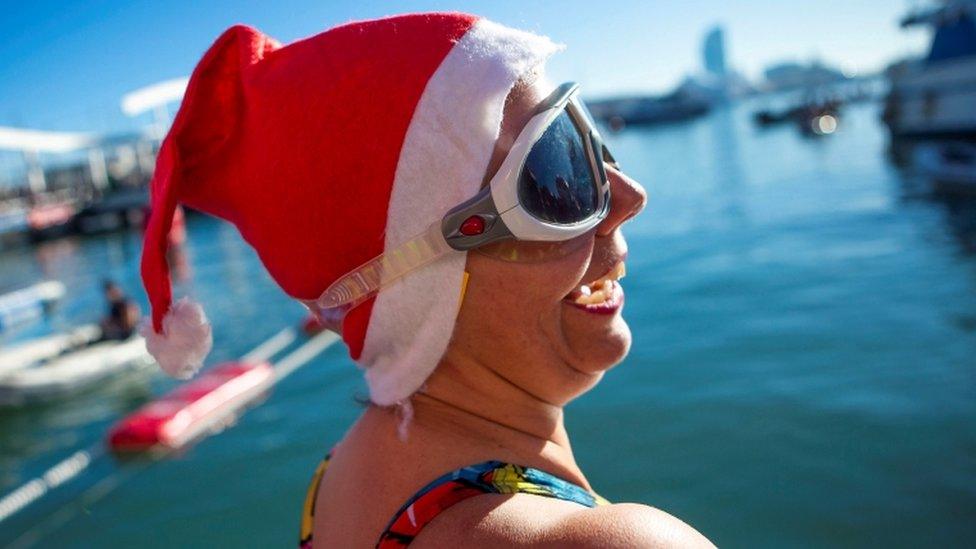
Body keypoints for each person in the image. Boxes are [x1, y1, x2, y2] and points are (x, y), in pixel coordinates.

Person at [136, 13, 714, 547]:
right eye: (553, 173)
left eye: (582, 137)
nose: (630, 197)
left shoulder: (343, 475)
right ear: (411, 284)